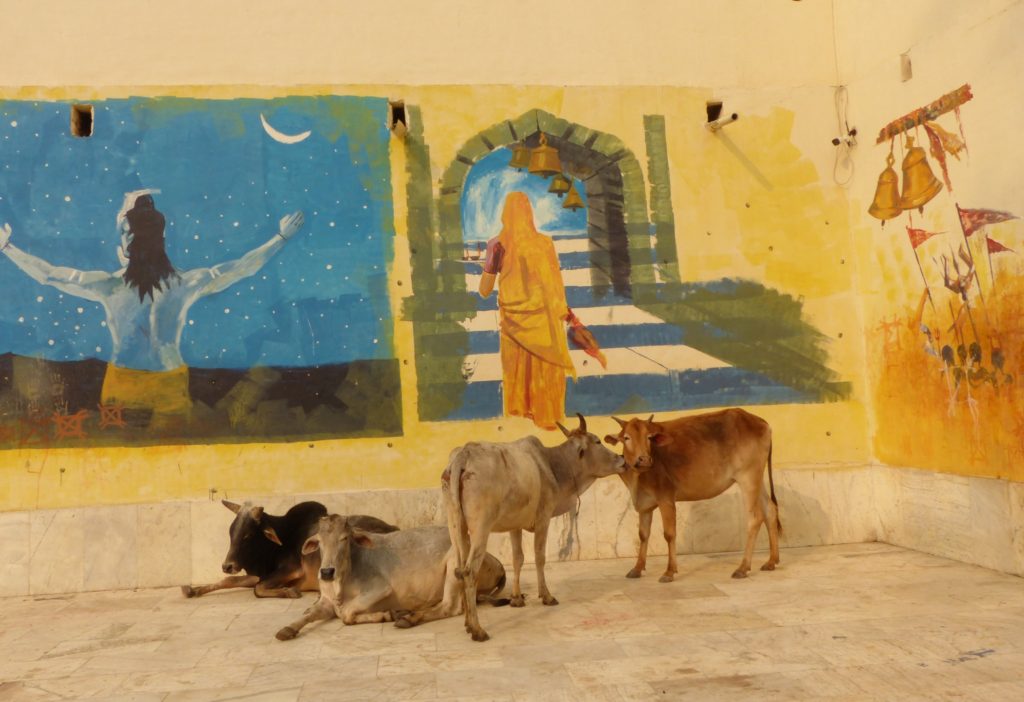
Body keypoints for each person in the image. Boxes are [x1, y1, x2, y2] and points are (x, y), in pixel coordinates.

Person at [0, 189, 304, 416]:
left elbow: (50, 276)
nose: (122, 240)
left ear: (132, 240)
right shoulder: (180, 283)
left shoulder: (113, 285)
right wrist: (281, 238)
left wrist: (8, 248)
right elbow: (241, 267)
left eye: (125, 234)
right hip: (148, 383)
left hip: (138, 384)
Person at [478, 191, 575, 430]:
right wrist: (562, 312)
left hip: (514, 323)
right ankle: (547, 416)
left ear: (504, 214)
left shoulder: (496, 245)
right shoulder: (545, 243)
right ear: (529, 213)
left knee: (517, 370)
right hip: (545, 322)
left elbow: (484, 290)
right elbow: (555, 285)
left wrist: (489, 264)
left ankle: (520, 413)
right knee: (544, 370)